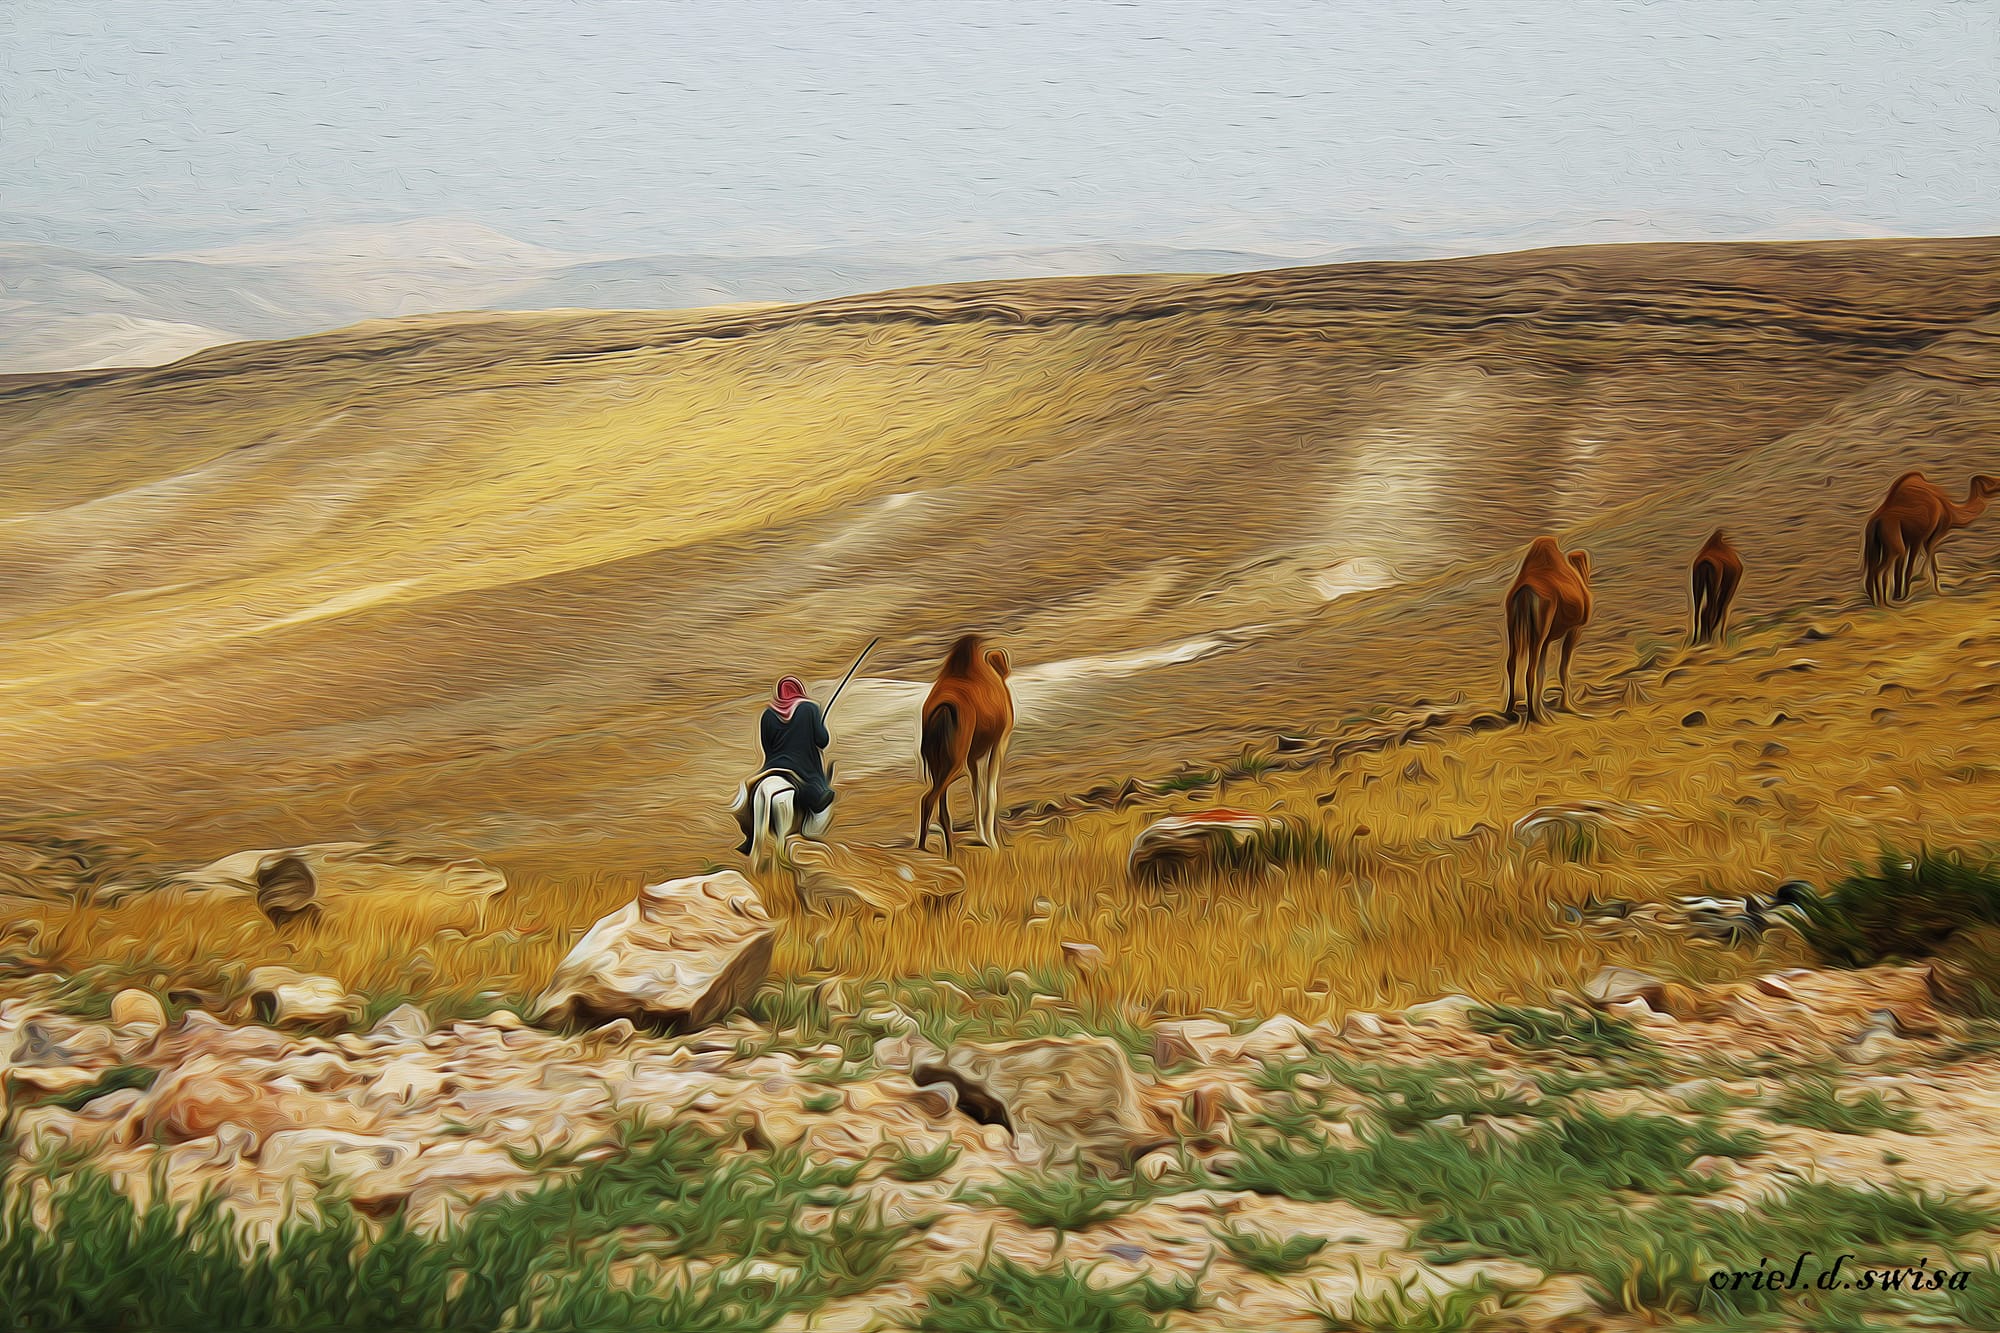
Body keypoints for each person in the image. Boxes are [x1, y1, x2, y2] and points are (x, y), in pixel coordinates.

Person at [734, 676, 835, 855]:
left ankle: (750, 838)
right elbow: (823, 740)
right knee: (820, 794)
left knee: (749, 794)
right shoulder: (809, 708)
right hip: (804, 769)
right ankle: (812, 831)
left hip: (773, 767)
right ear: (798, 690)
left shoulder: (768, 714)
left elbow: (767, 747)